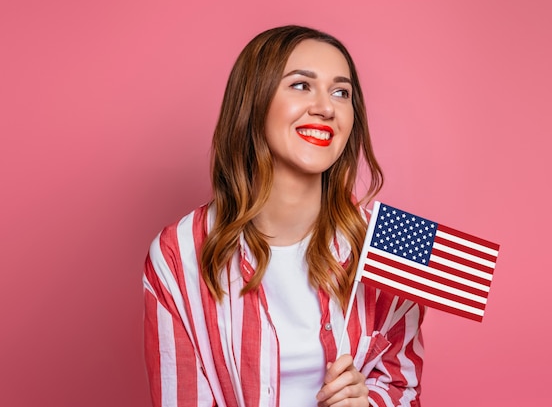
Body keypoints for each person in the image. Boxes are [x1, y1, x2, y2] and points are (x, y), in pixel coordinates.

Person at [143, 25, 425, 407]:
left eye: (341, 92)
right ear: (253, 101)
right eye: (301, 85)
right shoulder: (178, 253)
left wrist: (369, 403)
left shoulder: (395, 239)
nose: (326, 107)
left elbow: (402, 387)